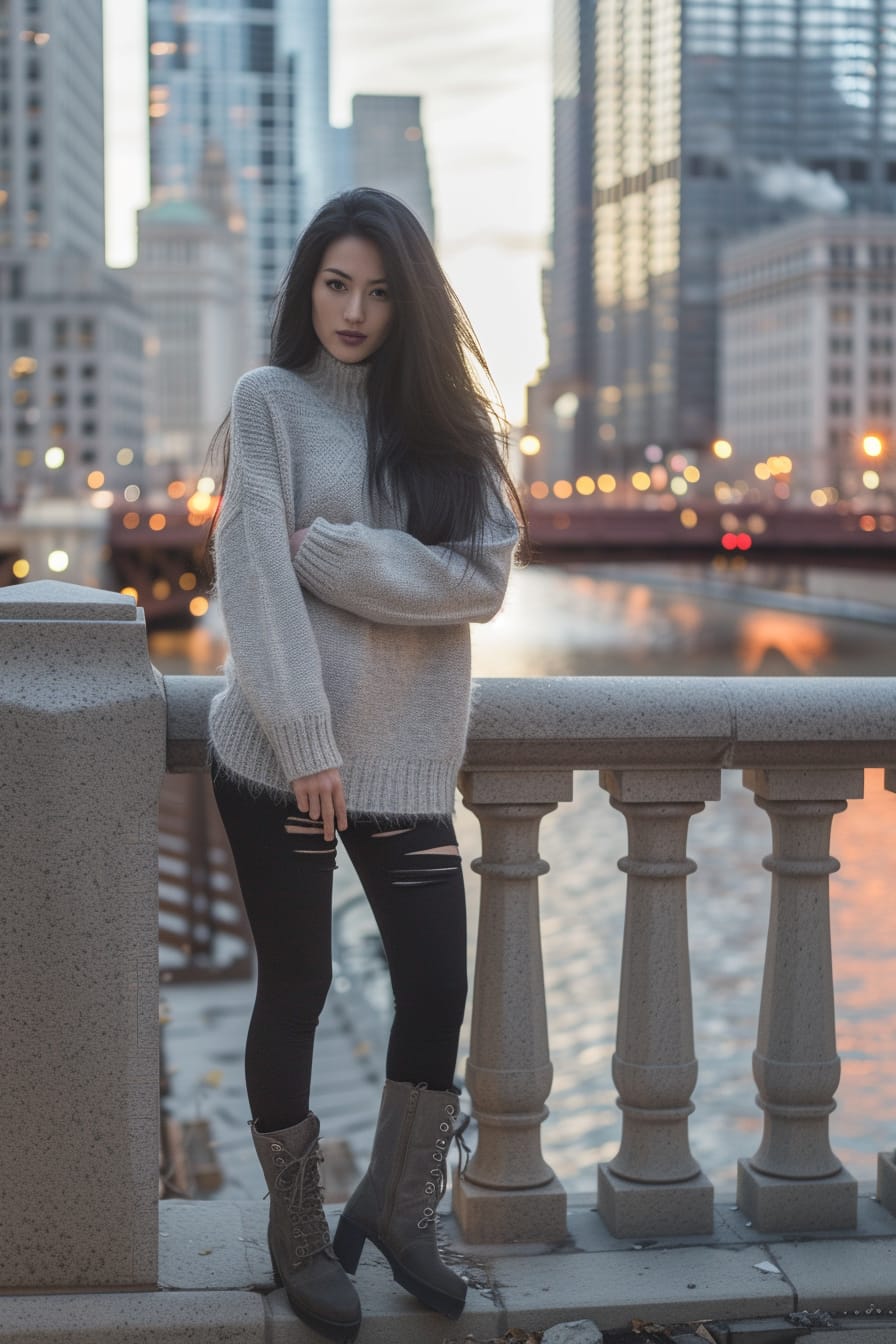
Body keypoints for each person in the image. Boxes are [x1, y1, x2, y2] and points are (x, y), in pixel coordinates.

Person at [199, 187, 527, 1342]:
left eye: (379, 291)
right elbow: (250, 580)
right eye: (336, 285)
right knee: (298, 989)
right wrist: (306, 746)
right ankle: (299, 1233)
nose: (354, 309)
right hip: (282, 757)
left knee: (437, 982)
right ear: (307, 290)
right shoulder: (268, 404)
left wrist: (343, 558)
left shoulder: (453, 428)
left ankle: (398, 1210)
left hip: (403, 762)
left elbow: (480, 582)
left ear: (410, 303)